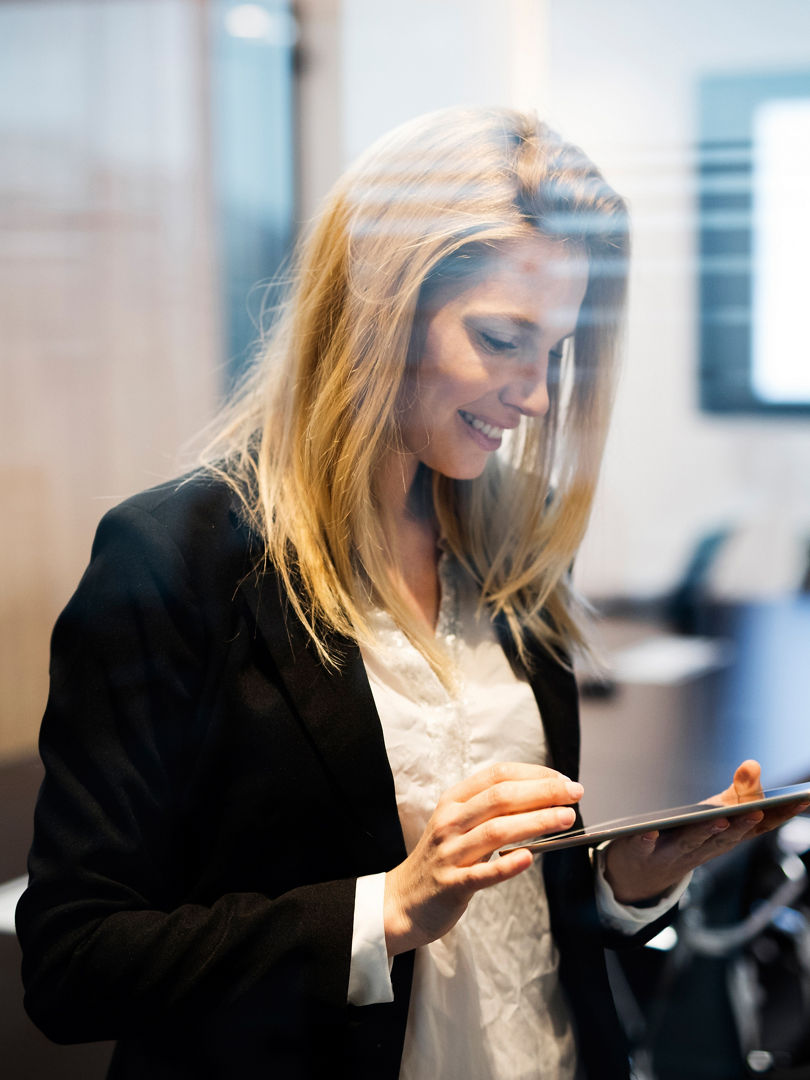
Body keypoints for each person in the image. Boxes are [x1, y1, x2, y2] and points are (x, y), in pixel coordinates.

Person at [16, 107, 809, 1080]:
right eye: (502, 338)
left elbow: (519, 914)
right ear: (379, 309)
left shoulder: (510, 543)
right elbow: (73, 963)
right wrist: (384, 911)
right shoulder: (173, 560)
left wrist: (627, 884)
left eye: (555, 350)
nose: (538, 396)